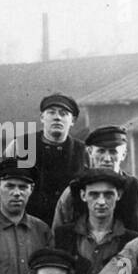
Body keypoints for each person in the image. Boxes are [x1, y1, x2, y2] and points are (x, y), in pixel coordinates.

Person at [52, 168, 138, 274]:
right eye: (94, 194)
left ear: (118, 195)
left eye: (108, 194)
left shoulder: (129, 241)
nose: (101, 201)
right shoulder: (64, 236)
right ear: (83, 195)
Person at [52, 125, 138, 235]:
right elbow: (58, 236)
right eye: (101, 151)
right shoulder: (73, 191)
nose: (107, 159)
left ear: (123, 154)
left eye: (113, 152)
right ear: (90, 152)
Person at [15, 92, 88, 227]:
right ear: (42, 117)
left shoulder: (84, 152)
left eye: (63, 113)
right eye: (51, 112)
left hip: (70, 228)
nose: (57, 118)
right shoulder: (22, 145)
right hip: (28, 226)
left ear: (72, 120)